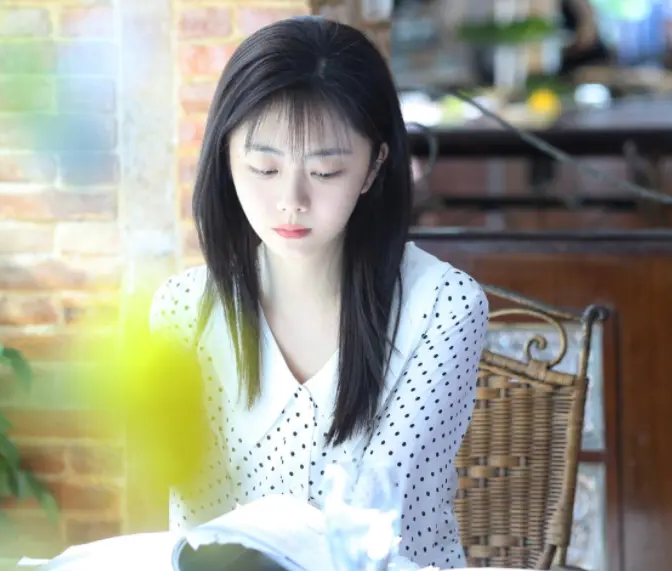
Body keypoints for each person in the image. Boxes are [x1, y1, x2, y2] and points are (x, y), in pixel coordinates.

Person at [149, 16, 488, 569]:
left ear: (374, 166)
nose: (292, 199)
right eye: (263, 168)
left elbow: (375, 520)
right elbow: (197, 533)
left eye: (326, 172)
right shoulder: (184, 312)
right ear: (226, 158)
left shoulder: (444, 309)